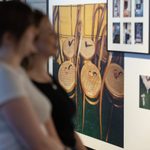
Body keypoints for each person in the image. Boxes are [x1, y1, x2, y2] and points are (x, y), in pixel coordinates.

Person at [0, 1, 64, 150]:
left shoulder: (16, 72)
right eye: (30, 28)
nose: (34, 33)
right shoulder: (5, 76)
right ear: (9, 37)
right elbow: (39, 144)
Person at [22, 9, 87, 150]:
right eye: (50, 33)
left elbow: (66, 127)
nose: (56, 36)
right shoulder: (25, 84)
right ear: (32, 38)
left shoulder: (48, 78)